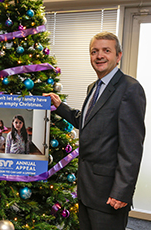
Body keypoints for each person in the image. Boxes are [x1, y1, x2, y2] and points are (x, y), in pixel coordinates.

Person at [44, 31, 146, 230]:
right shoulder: (93, 87)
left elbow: (132, 147)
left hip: (109, 194)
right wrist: (60, 106)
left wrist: (121, 191)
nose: (99, 56)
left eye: (106, 51)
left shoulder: (130, 88)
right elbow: (88, 121)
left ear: (118, 56)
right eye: (94, 51)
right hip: (87, 189)